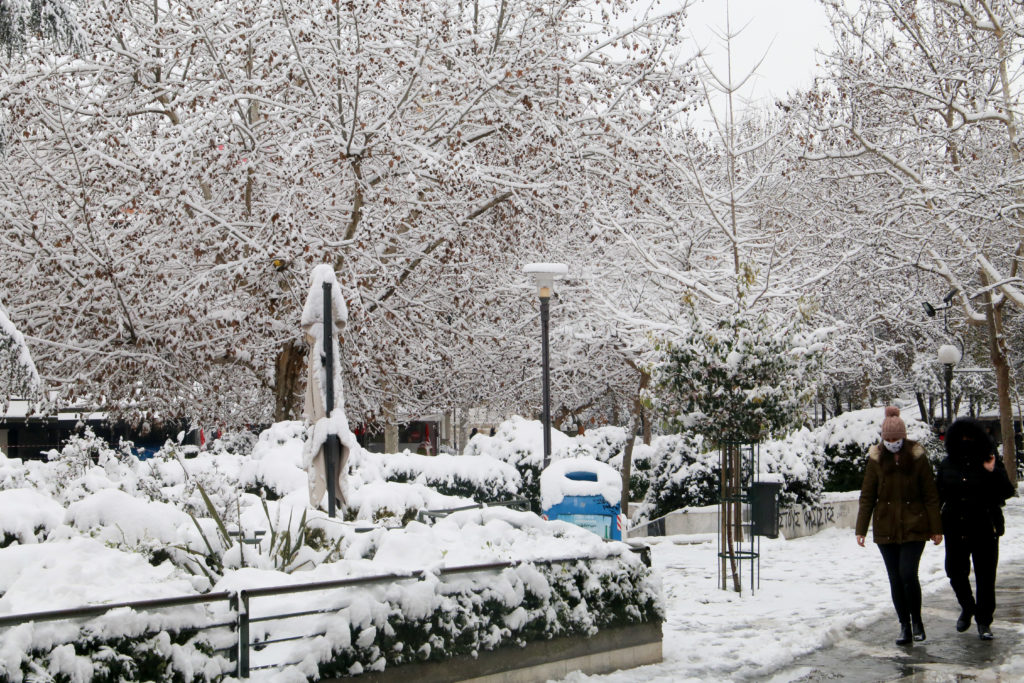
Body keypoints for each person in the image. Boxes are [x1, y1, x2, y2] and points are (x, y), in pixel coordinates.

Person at [856, 406, 943, 645]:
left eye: (896, 439)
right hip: (886, 527)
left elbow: (930, 494)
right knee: (895, 578)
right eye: (888, 439)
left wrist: (936, 528)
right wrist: (861, 530)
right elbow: (867, 495)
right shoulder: (876, 458)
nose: (892, 442)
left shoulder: (917, 456)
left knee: (908, 574)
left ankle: (917, 620)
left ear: (903, 437)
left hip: (915, 525)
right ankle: (904, 625)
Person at [935, 418, 1015, 640]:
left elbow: (1008, 491)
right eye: (962, 439)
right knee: (954, 571)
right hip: (955, 525)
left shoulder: (989, 460)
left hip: (985, 526)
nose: (966, 442)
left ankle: (984, 622)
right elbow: (937, 495)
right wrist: (933, 526)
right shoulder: (948, 463)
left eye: (970, 438)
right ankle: (968, 607)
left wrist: (993, 471)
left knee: (986, 576)